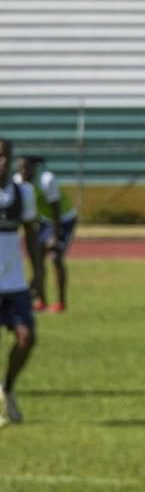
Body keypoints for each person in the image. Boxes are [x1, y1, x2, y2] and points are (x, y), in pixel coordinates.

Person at [0, 141, 41, 427]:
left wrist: (39, 273)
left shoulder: (23, 193)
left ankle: (8, 388)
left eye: (4, 156)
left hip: (14, 283)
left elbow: (31, 234)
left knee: (27, 338)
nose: (0, 162)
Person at [14, 156, 77, 313]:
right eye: (19, 168)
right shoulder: (18, 182)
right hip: (43, 221)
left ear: (34, 168)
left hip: (63, 220)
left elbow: (55, 209)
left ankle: (61, 302)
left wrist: (55, 237)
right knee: (37, 258)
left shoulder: (47, 180)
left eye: (26, 168)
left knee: (55, 257)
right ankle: (41, 301)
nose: (22, 171)